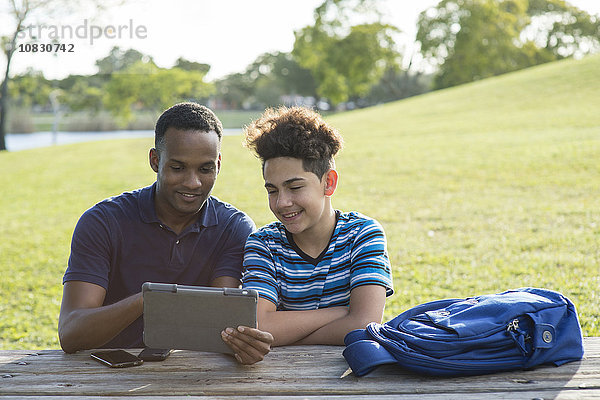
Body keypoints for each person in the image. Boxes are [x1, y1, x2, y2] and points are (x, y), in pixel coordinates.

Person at [58, 102, 273, 364]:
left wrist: (243, 343)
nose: (193, 183)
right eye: (178, 167)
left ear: (218, 165)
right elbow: (70, 333)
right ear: (155, 160)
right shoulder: (102, 222)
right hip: (107, 373)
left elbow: (222, 321)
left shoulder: (233, 227)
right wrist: (148, 300)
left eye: (205, 169)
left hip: (192, 371)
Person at [241, 106, 394, 346]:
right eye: (272, 190)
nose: (282, 202)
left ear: (329, 183)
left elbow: (364, 326)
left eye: (295, 187)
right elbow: (259, 327)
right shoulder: (264, 244)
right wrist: (340, 313)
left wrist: (286, 334)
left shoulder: (363, 234)